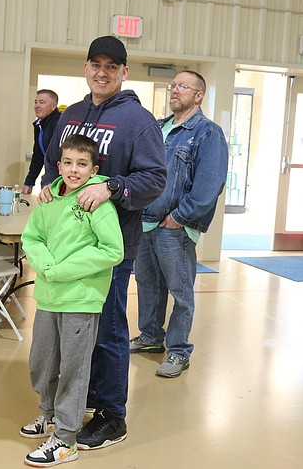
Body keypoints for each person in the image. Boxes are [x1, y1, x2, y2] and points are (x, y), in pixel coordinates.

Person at [38, 36, 166, 450]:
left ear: (124, 72)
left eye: (112, 66)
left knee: (108, 330)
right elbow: (51, 164)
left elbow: (154, 179)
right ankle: (85, 400)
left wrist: (112, 186)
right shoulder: (70, 114)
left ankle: (113, 416)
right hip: (65, 247)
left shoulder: (139, 122)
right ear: (86, 67)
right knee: (76, 332)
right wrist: (46, 188)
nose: (102, 72)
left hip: (111, 249)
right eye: (96, 64)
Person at [19, 134, 124, 467]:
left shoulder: (97, 202)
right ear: (59, 165)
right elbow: (31, 237)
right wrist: (47, 266)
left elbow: (113, 250)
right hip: (49, 296)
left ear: (93, 169)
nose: (74, 170)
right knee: (42, 362)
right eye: (68, 163)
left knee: (73, 369)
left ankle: (65, 439)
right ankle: (49, 416)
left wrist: (62, 270)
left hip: (80, 298)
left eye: (82, 164)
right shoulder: (50, 199)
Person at [130, 70, 228, 378]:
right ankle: (150, 337)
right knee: (147, 285)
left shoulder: (208, 133)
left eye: (183, 87)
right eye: (173, 85)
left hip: (175, 228)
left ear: (198, 95)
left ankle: (178, 351)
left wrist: (179, 218)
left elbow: (210, 185)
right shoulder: (159, 128)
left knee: (180, 292)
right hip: (144, 223)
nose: (175, 90)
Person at [22, 90, 60, 195]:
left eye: (42, 102)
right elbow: (38, 156)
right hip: (50, 177)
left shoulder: (59, 123)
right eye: (36, 102)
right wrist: (29, 181)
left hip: (61, 179)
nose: (37, 106)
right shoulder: (39, 125)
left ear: (53, 106)